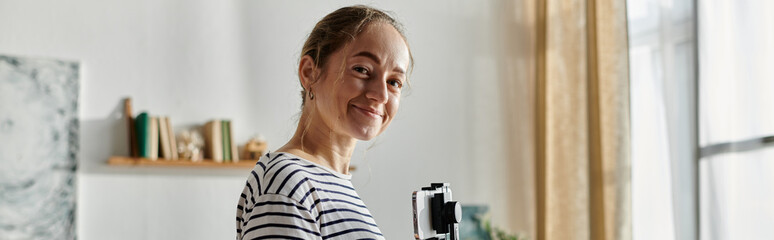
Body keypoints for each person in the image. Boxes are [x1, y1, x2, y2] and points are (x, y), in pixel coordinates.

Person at [236, 5, 412, 239]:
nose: (381, 94)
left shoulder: (327, 184)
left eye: (394, 82)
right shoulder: (288, 183)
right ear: (310, 73)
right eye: (361, 69)